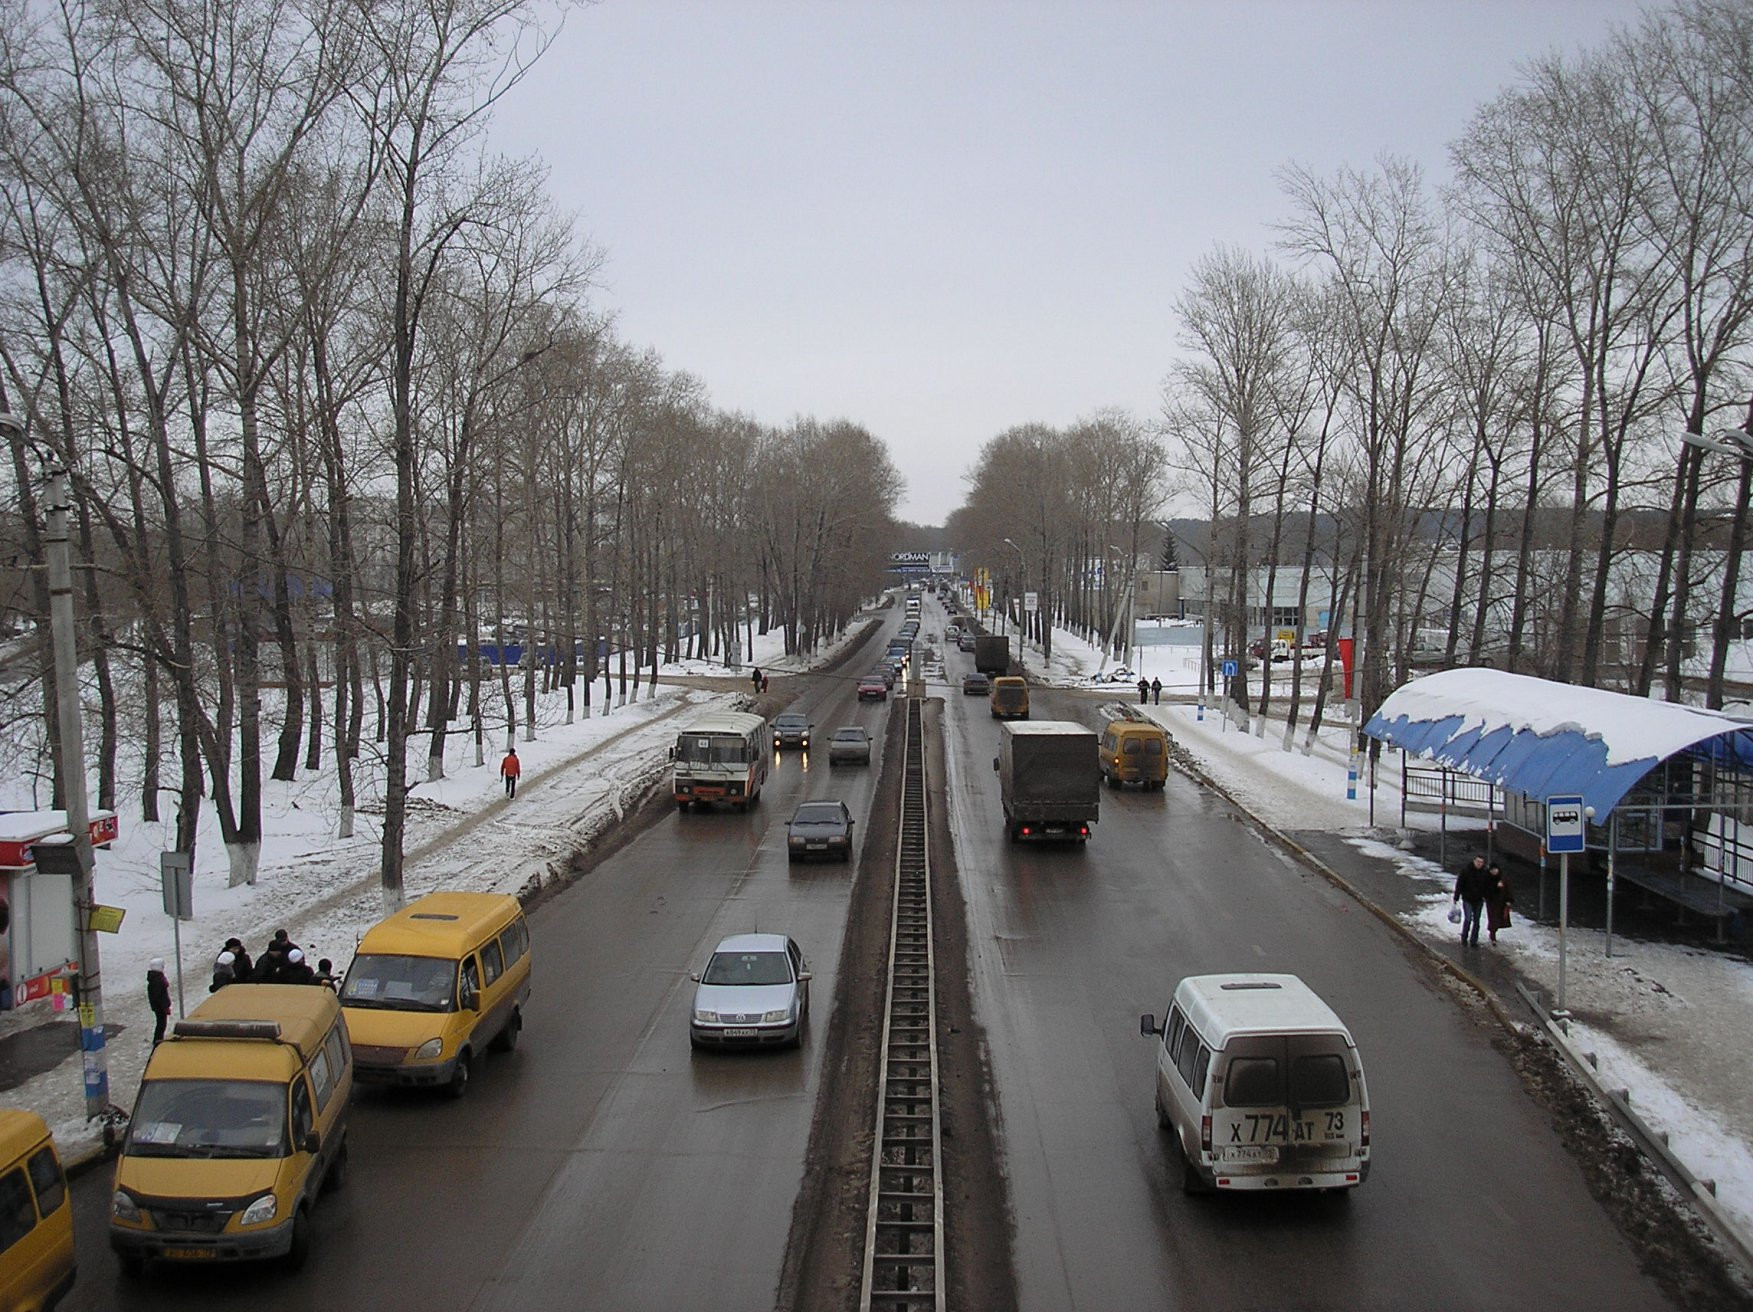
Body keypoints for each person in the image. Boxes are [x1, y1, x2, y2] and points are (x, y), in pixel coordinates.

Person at [1452, 855, 1490, 948]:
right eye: (1478, 862)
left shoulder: (1485, 873)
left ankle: (1474, 941)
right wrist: (1456, 897)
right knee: (1468, 919)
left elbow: (1487, 886)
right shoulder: (1466, 871)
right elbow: (1459, 884)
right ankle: (1464, 937)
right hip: (1467, 899)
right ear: (1474, 861)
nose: (1479, 864)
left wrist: (1486, 896)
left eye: (1481, 862)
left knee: (1477, 920)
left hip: (1479, 900)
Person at [1485, 863, 1514, 944]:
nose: (1494, 871)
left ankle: (1493, 933)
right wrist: (1496, 887)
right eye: (1492, 870)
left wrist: (1509, 900)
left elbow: (1508, 889)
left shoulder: (1503, 878)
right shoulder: (1487, 878)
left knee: (1500, 918)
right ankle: (1493, 935)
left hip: (1501, 902)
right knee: (1493, 919)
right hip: (1491, 902)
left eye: (1495, 869)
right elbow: (1486, 890)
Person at [147, 958, 171, 1045]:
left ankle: (158, 1039)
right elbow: (160, 995)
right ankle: (157, 1041)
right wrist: (165, 1006)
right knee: (161, 1024)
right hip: (160, 1007)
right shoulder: (158, 980)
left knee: (161, 1023)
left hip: (158, 1006)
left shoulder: (155, 978)